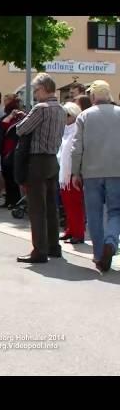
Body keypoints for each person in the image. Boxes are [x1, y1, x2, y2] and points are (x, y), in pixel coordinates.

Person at [15, 73, 66, 264]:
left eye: (36, 90)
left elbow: (21, 129)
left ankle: (39, 251)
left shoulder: (41, 108)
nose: (35, 94)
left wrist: (22, 119)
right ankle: (54, 246)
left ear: (44, 88)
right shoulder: (60, 109)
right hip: (53, 159)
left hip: (37, 160)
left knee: (37, 208)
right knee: (52, 207)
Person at [71, 80, 120, 272]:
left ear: (92, 97)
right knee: (116, 211)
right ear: (109, 95)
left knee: (94, 213)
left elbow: (77, 147)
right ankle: (111, 241)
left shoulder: (84, 116)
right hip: (117, 171)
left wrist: (76, 172)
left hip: (91, 173)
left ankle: (99, 254)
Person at [57, 102, 86, 246]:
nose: (64, 118)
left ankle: (78, 233)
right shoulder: (66, 129)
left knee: (75, 205)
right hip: (64, 174)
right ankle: (70, 229)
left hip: (72, 173)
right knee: (67, 204)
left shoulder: (76, 129)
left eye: (66, 115)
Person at [0, 96, 23, 209]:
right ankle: (8, 200)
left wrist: (13, 115)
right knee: (6, 176)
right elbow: (3, 124)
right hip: (6, 149)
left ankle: (15, 201)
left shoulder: (20, 117)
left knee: (12, 178)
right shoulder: (10, 116)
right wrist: (10, 115)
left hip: (14, 150)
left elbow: (5, 124)